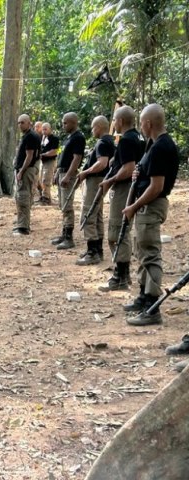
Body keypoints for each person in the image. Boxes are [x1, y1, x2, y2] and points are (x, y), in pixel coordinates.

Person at [123, 103, 179, 326]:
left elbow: (156, 186)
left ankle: (152, 307)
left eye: (141, 123)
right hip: (147, 205)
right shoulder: (153, 145)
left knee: (151, 255)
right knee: (142, 251)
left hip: (151, 205)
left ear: (148, 123)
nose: (140, 127)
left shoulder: (160, 147)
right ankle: (144, 297)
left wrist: (134, 206)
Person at [98, 105, 143, 291]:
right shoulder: (139, 138)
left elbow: (129, 168)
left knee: (117, 232)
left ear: (121, 121)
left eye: (115, 120)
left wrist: (111, 179)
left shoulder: (126, 140)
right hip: (132, 189)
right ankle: (122, 273)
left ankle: (121, 276)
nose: (113, 123)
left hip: (125, 189)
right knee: (121, 230)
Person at [75, 116, 113, 265]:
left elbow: (102, 163)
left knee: (88, 213)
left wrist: (85, 172)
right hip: (100, 181)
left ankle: (92, 252)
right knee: (97, 214)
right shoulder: (109, 141)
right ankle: (97, 250)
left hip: (96, 180)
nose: (91, 130)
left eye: (92, 127)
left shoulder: (103, 142)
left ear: (99, 127)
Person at [51, 112, 85, 250]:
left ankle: (69, 238)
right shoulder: (68, 137)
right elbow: (63, 158)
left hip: (68, 175)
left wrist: (68, 175)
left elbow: (76, 159)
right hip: (62, 172)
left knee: (67, 206)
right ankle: (64, 234)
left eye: (65, 123)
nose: (63, 125)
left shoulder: (78, 138)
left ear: (73, 123)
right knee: (62, 206)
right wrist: (57, 172)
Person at [13, 114, 41, 235]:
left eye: (22, 122)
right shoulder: (27, 135)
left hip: (27, 170)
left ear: (29, 123)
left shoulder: (31, 136)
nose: (20, 125)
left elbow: (29, 156)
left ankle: (23, 227)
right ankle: (22, 223)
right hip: (25, 170)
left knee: (23, 197)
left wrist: (21, 171)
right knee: (22, 197)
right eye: (19, 122)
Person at [39, 123, 59, 205]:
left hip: (50, 161)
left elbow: (54, 151)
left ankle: (45, 199)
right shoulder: (43, 138)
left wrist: (43, 154)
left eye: (45, 129)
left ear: (50, 129)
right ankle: (47, 198)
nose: (44, 131)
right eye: (43, 129)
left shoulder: (54, 138)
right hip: (43, 161)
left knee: (46, 180)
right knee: (41, 179)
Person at [32, 120, 43, 201]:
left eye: (38, 127)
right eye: (35, 126)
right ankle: (37, 194)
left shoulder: (44, 136)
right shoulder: (33, 136)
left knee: (41, 178)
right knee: (36, 177)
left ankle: (40, 195)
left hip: (42, 159)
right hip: (35, 159)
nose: (36, 128)